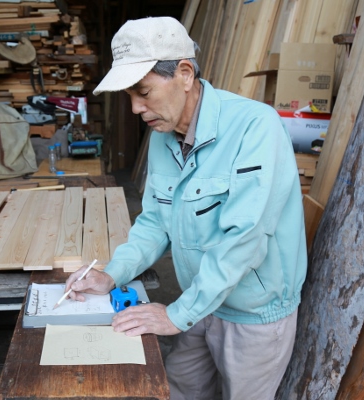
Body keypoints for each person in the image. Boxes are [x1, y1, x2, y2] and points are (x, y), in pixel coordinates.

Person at [64, 16, 307, 400]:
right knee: (177, 389)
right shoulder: (164, 136)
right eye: (129, 96)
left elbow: (244, 239)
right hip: (199, 301)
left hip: (252, 315)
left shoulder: (256, 128)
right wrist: (111, 274)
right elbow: (154, 222)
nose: (135, 108)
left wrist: (176, 315)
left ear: (184, 74)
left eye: (143, 92)